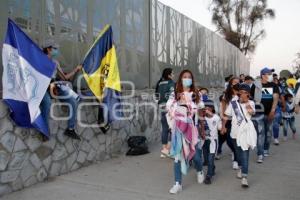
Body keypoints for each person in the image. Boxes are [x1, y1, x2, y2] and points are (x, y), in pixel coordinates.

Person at [166, 70, 205, 194]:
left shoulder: (196, 93)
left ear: (192, 79)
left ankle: (199, 170)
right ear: (180, 79)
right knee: (178, 156)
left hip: (193, 130)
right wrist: (179, 104)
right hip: (178, 129)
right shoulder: (175, 93)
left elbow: (201, 107)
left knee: (197, 157)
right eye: (184, 77)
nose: (187, 79)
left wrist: (192, 105)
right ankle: (177, 183)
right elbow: (169, 106)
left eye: (189, 77)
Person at [42, 40, 82, 140]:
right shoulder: (39, 59)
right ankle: (44, 130)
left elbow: (64, 77)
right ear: (48, 49)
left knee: (74, 101)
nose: (57, 51)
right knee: (46, 103)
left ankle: (70, 129)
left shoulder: (55, 63)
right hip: (42, 87)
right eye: (55, 49)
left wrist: (76, 70)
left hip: (54, 86)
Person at [222, 84, 256, 188]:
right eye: (241, 92)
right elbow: (226, 115)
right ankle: (241, 168)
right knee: (238, 154)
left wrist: (246, 104)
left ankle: (245, 177)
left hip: (245, 134)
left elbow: (252, 112)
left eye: (245, 92)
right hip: (235, 133)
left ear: (248, 94)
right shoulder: (233, 104)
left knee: (245, 155)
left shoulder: (251, 103)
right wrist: (223, 126)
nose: (242, 94)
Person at [258, 67, 279, 160]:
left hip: (269, 113)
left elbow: (275, 98)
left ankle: (266, 148)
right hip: (259, 114)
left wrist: (273, 110)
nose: (270, 75)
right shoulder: (256, 85)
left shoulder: (274, 85)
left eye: (270, 74)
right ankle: (260, 153)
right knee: (261, 133)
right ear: (263, 75)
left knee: (269, 133)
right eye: (269, 74)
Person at [219, 77, 240, 169]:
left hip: (238, 121)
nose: (236, 84)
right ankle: (234, 152)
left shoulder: (241, 94)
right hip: (228, 120)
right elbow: (223, 111)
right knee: (229, 140)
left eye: (238, 82)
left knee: (235, 141)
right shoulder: (226, 95)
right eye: (235, 82)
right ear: (231, 84)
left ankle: (236, 160)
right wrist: (223, 125)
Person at [155, 68, 175, 158]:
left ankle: (164, 150)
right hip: (169, 107)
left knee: (164, 128)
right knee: (172, 128)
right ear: (169, 75)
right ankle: (168, 149)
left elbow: (156, 96)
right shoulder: (171, 83)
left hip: (161, 107)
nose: (173, 75)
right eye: (172, 73)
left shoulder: (159, 83)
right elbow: (172, 96)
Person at [203, 100, 221, 184]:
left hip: (213, 141)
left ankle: (208, 176)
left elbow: (220, 128)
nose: (206, 109)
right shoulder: (201, 117)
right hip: (204, 141)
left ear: (212, 108)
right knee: (207, 159)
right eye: (205, 107)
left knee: (210, 159)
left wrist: (222, 127)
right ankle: (212, 168)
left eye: (208, 107)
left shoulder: (216, 118)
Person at [272, 77, 285, 145]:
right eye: (274, 81)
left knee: (275, 124)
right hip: (268, 108)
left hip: (277, 107)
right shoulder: (268, 88)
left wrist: (283, 105)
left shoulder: (279, 88)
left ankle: (275, 138)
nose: (275, 82)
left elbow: (282, 97)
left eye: (276, 81)